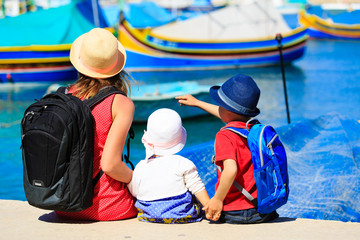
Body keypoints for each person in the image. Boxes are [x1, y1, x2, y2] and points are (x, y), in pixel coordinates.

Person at [55, 28, 138, 221]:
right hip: (108, 206)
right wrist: (137, 179)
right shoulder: (120, 103)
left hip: (63, 204)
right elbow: (110, 165)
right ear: (117, 64)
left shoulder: (63, 96)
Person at [176, 74, 279, 224]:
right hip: (263, 208)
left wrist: (217, 199)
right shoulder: (253, 128)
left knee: (198, 210)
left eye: (220, 104)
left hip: (238, 211)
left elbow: (231, 170)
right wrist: (198, 103)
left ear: (228, 111)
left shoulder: (225, 136)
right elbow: (227, 114)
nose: (218, 107)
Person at [127, 108, 210, 224]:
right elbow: (197, 187)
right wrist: (209, 207)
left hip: (148, 215)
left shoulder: (141, 166)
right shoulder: (183, 163)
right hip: (182, 214)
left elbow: (135, 191)